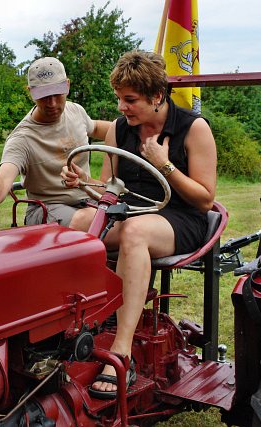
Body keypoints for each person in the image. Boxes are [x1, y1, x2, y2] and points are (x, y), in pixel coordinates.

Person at [62, 50, 217, 399]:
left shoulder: (194, 128)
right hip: (131, 209)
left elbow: (205, 199)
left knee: (135, 233)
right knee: (82, 219)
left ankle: (121, 351)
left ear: (157, 96)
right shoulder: (121, 129)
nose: (122, 107)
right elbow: (109, 188)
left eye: (130, 100)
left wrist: (165, 165)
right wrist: (82, 182)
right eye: (119, 98)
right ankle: (75, 326)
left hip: (180, 217)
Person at [0, 57, 110, 230]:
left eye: (57, 93)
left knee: (127, 213)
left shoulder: (75, 111)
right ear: (30, 92)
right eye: (44, 96)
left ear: (67, 86)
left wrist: (132, 129)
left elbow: (97, 127)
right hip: (46, 208)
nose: (52, 103)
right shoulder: (22, 138)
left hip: (88, 200)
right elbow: (4, 176)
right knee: (96, 220)